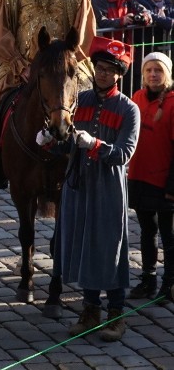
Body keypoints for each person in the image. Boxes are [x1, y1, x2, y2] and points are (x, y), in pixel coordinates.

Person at [0, 0, 96, 195]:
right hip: (18, 66)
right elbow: (1, 31)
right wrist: (20, 64)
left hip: (63, 68)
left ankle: (90, 161)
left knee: (89, 103)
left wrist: (66, 62)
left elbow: (82, 36)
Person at [40, 36, 139, 341]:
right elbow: (67, 143)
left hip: (107, 187)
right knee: (83, 246)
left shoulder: (128, 109)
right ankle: (90, 309)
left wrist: (95, 144)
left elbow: (124, 153)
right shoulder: (79, 100)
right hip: (78, 185)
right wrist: (51, 140)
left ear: (118, 75)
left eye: (110, 70)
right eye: (100, 68)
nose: (103, 74)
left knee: (108, 249)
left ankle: (116, 313)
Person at [127, 52, 174, 303]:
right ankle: (148, 279)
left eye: (158, 70)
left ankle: (169, 284)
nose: (153, 75)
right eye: (148, 70)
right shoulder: (137, 98)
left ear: (167, 74)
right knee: (147, 231)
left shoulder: (173, 102)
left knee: (169, 235)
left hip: (164, 180)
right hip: (140, 176)